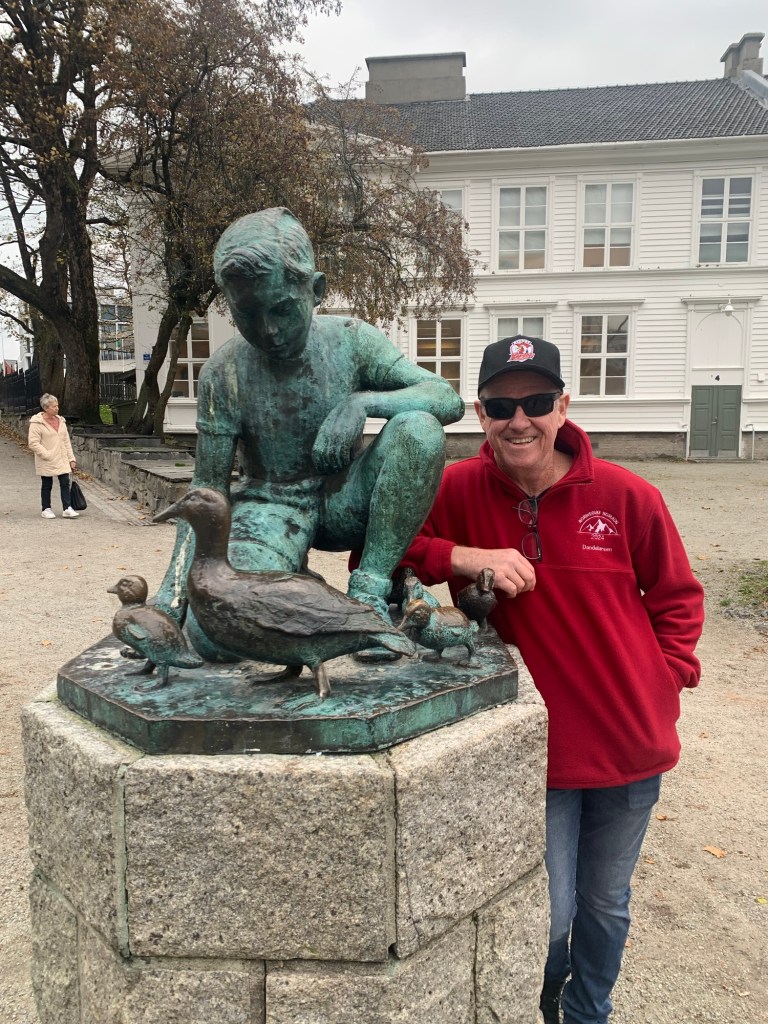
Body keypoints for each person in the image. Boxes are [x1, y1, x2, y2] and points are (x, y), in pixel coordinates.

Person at [401, 334, 704, 1024]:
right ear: (480, 413)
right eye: (501, 406)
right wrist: (463, 555)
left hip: (630, 745)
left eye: (537, 402)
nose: (520, 420)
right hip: (536, 752)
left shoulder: (627, 495)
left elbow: (678, 598)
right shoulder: (455, 489)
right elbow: (381, 556)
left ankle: (587, 1012)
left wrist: (665, 680)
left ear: (563, 406)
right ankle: (541, 998)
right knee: (550, 911)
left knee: (605, 903)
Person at [154, 207, 464, 656]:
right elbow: (206, 492)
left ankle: (369, 593)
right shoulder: (223, 372)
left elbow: (446, 398)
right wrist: (171, 599)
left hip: (344, 500)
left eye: (283, 309)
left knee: (419, 429)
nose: (269, 330)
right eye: (247, 313)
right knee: (215, 635)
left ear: (315, 290)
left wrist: (362, 403)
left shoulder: (352, 339)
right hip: (269, 509)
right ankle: (300, 584)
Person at [27, 393, 80, 520]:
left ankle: (67, 508)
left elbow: (66, 441)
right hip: (47, 459)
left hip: (62, 457)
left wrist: (71, 458)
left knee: (65, 482)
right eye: (54, 406)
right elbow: (33, 443)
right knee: (47, 484)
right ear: (46, 408)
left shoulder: (61, 421)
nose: (57, 408)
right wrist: (47, 454)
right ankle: (46, 508)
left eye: (57, 405)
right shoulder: (37, 423)